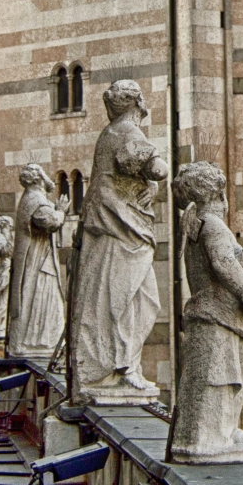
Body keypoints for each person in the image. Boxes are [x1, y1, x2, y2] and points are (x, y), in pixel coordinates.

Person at [69, 79, 169, 401]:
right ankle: (117, 368)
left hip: (114, 222)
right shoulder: (128, 132)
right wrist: (160, 168)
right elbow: (156, 169)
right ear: (139, 102)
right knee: (131, 299)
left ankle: (122, 365)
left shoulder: (110, 132)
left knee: (125, 298)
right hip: (120, 226)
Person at [168, 162, 243, 463]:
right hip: (218, 313)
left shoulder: (198, 222)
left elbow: (229, 257)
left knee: (228, 372)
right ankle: (206, 438)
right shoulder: (212, 225)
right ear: (217, 193)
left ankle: (225, 430)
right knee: (218, 374)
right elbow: (222, 262)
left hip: (217, 312)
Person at [6, 163, 67, 358]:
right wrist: (62, 211)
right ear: (38, 178)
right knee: (43, 296)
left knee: (43, 297)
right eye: (43, 174)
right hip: (38, 261)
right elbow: (51, 222)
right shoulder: (35, 200)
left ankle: (40, 340)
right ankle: (39, 342)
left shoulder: (32, 198)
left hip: (39, 257)